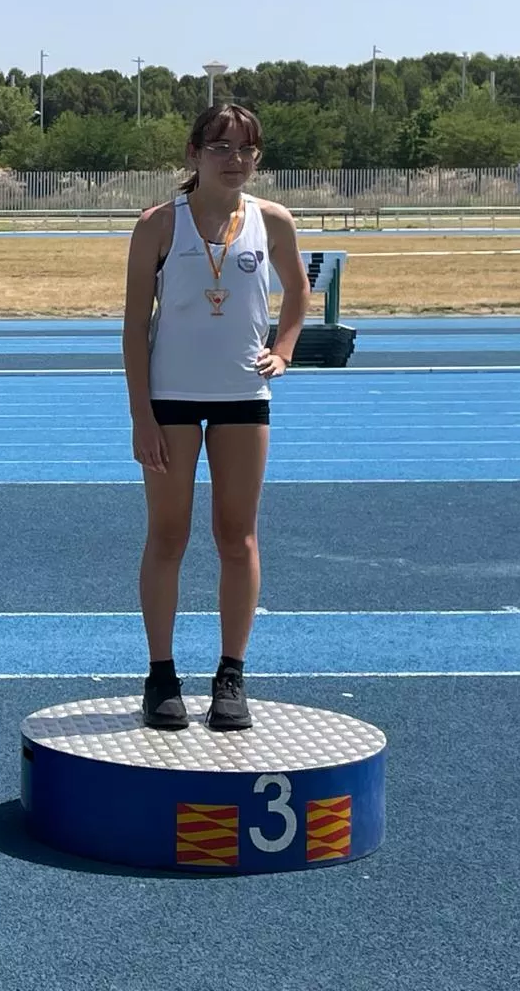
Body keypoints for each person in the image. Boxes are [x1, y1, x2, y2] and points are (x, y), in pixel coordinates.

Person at [121, 104, 309, 730]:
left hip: (242, 400)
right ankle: (161, 675)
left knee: (238, 537)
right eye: (221, 147)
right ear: (194, 153)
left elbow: (299, 289)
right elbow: (132, 328)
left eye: (247, 149)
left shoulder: (272, 221)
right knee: (168, 536)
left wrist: (283, 349)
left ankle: (231, 674)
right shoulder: (156, 225)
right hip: (171, 401)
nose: (235, 160)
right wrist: (141, 415)